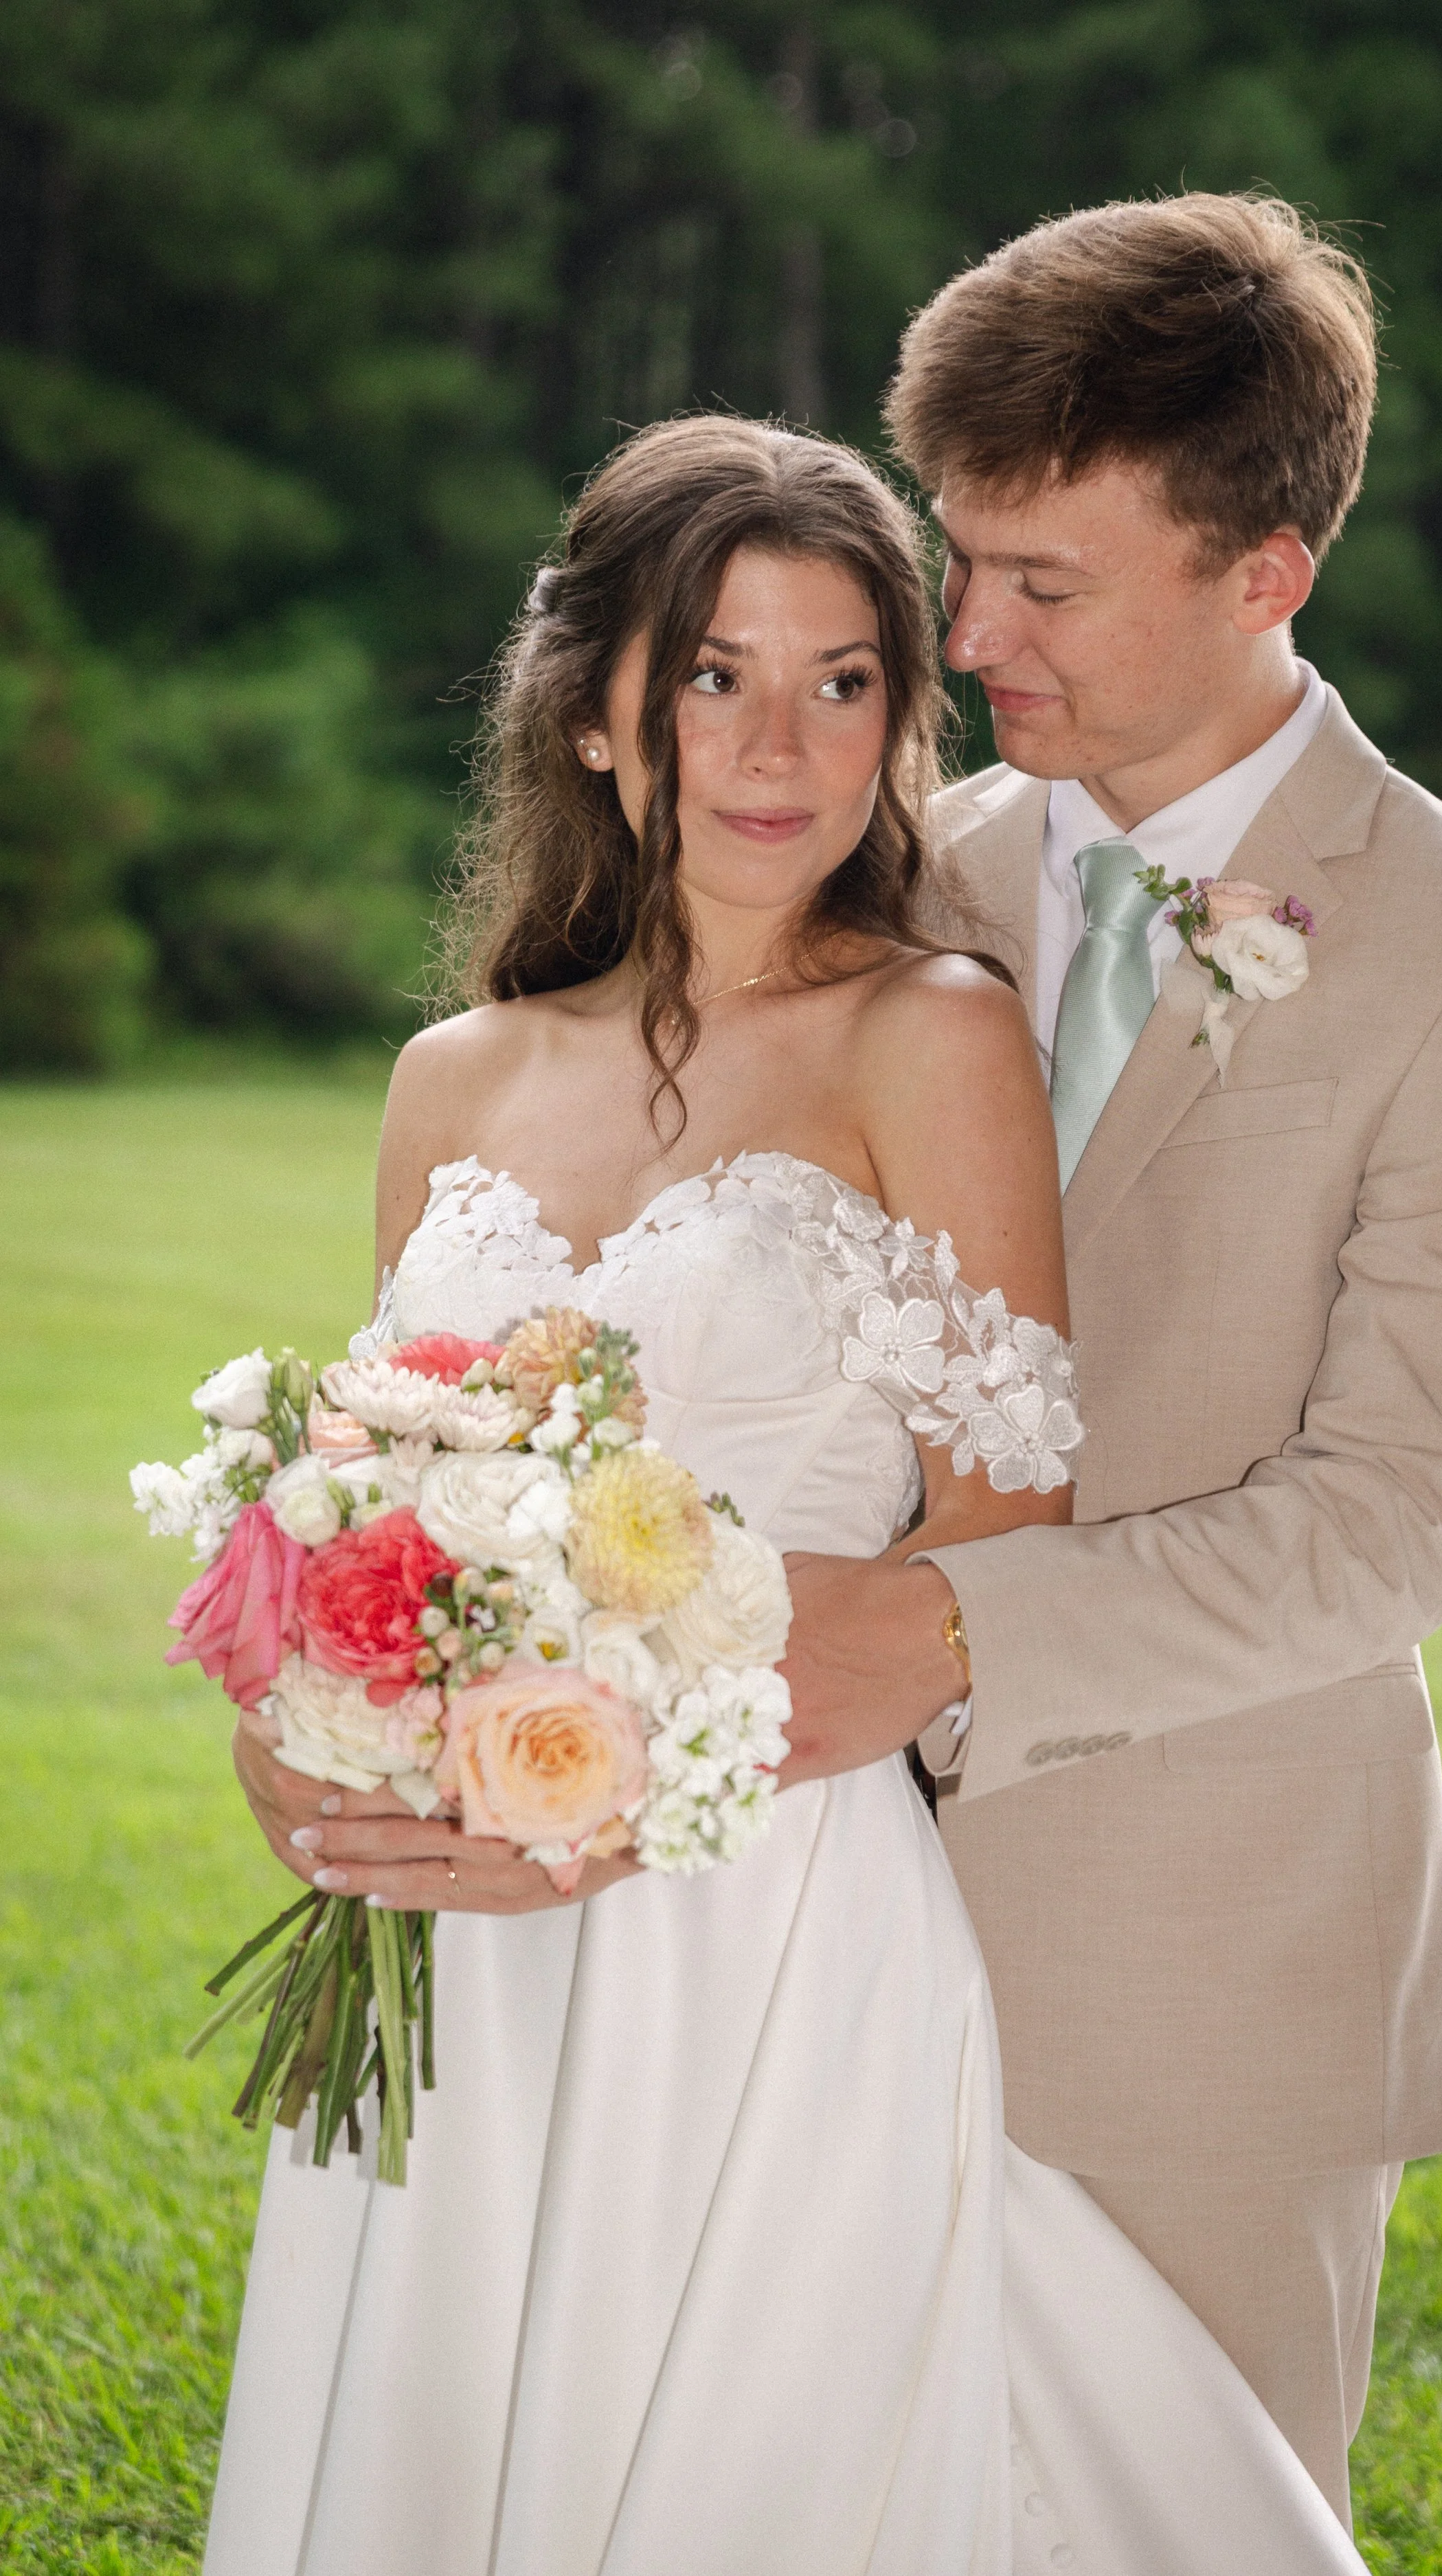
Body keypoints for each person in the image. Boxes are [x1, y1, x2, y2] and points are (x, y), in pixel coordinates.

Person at [209, 414, 1366, 2575]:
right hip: (457, 1916)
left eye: (842, 680)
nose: (777, 744)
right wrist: (308, 1738)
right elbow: (366, 1494)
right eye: (713, 674)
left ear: (901, 721)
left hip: (763, 1890)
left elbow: (999, 1525)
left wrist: (632, 1760)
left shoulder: (928, 1030)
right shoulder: (452, 1076)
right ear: (593, 711)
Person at [776, 193, 1442, 2529]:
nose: (968, 637)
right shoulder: (882, 881)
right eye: (960, 560)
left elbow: (1392, 1523)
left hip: (1209, 1968)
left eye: (1043, 584)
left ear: (1267, 571)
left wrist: (939, 1635)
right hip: (797, 1930)